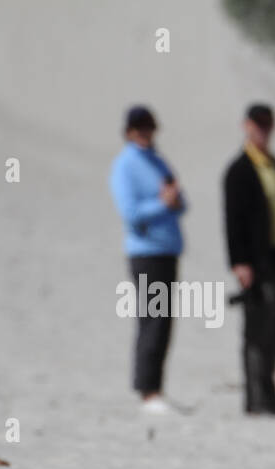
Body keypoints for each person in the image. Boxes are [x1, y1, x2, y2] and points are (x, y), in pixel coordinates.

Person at [109, 105, 186, 413]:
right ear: (128, 132)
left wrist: (173, 202)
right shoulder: (125, 165)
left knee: (164, 321)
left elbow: (180, 203)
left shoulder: (158, 161)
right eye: (139, 128)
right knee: (151, 319)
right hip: (145, 251)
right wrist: (161, 204)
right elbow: (130, 213)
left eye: (149, 127)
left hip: (168, 249)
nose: (144, 133)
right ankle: (147, 390)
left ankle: (157, 388)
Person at [223, 103, 275, 416]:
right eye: (257, 124)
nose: (262, 130)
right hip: (255, 260)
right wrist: (240, 261)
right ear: (246, 126)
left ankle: (269, 394)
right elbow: (233, 219)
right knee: (258, 330)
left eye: (267, 125)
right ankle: (255, 398)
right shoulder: (239, 170)